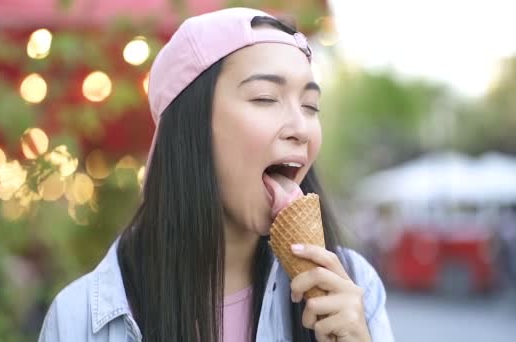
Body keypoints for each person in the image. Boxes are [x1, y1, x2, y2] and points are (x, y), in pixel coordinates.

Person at [38, 7, 394, 342]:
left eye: (310, 106)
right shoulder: (80, 319)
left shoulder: (355, 287)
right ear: (191, 128)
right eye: (266, 98)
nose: (301, 128)